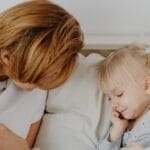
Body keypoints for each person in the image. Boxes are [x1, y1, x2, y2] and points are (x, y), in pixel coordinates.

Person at [0, 0, 83, 150]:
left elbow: (26, 146)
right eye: (35, 79)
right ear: (7, 58)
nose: (39, 85)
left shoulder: (37, 91)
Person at [96, 44, 150, 149]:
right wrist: (117, 131)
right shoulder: (124, 125)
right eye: (110, 98)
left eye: (119, 94)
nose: (113, 104)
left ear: (147, 85)